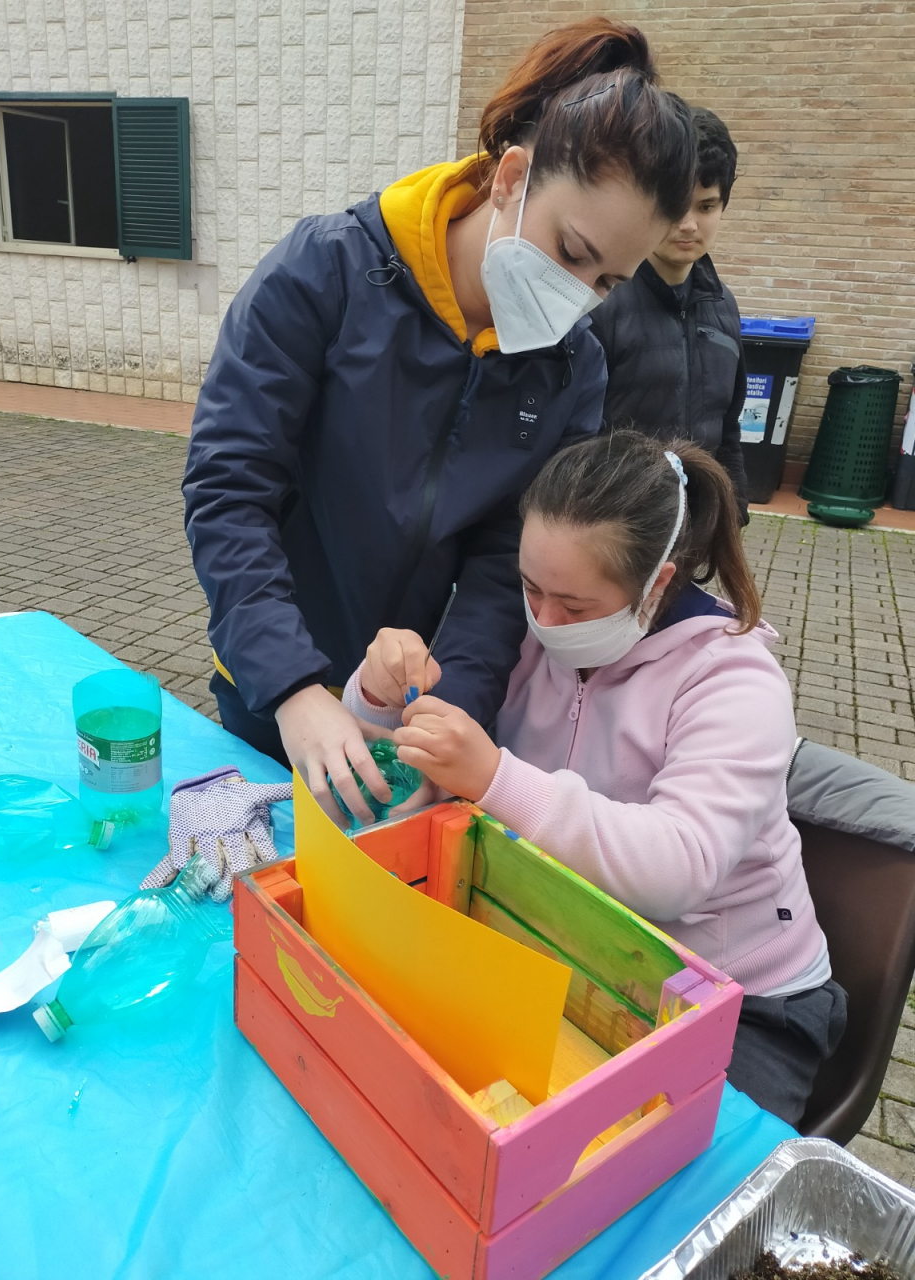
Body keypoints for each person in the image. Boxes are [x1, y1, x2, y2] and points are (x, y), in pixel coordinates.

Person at [182, 17, 696, 825]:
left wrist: (450, 719)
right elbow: (230, 489)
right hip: (272, 679)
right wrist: (292, 687)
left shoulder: (572, 368)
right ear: (511, 178)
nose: (576, 294)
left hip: (409, 697)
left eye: (605, 282)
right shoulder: (329, 270)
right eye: (570, 252)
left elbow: (505, 564)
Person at [345, 430, 846, 1124]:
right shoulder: (521, 637)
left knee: (662, 1173)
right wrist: (376, 694)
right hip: (570, 955)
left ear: (657, 584)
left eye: (575, 607)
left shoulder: (733, 681)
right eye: (530, 588)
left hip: (739, 997)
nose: (545, 621)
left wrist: (494, 777)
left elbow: (678, 867)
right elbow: (407, 766)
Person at [589, 107, 750, 519]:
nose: (689, 224)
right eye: (676, 205)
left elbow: (729, 429)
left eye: (707, 207)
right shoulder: (599, 300)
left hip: (696, 528)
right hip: (617, 529)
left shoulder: (724, 307)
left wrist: (733, 517)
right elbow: (573, 438)